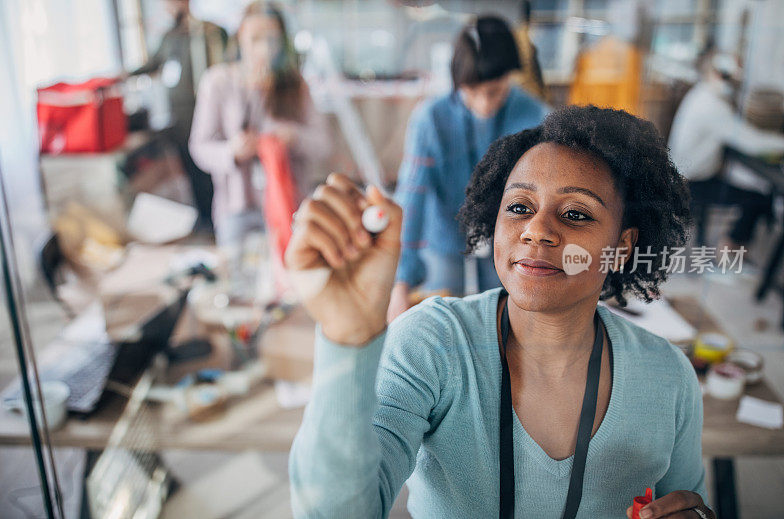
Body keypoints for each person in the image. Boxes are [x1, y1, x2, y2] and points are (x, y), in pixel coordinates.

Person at [285, 105, 713, 518]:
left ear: (622, 248)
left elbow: (689, 501)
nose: (537, 230)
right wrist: (347, 336)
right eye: (519, 207)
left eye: (576, 214)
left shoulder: (669, 377)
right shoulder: (432, 344)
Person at [387, 15, 549, 321]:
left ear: (510, 76)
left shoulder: (536, 117)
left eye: (495, 90)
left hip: (507, 237)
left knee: (505, 316)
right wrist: (400, 282)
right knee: (438, 318)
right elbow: (412, 200)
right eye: (473, 91)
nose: (485, 103)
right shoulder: (430, 119)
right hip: (444, 236)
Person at [188, 1, 329, 291]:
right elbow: (200, 147)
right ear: (240, 37)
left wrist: (293, 136)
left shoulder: (295, 86)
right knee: (239, 286)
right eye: (255, 39)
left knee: (289, 283)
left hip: (289, 205)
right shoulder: (218, 82)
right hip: (237, 206)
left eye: (272, 39)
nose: (263, 47)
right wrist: (232, 150)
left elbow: (323, 144)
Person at [128, 0, 231, 232]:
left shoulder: (209, 32)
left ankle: (219, 218)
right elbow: (152, 64)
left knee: (210, 168)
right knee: (191, 169)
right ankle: (205, 219)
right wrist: (124, 75)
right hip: (180, 118)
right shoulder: (170, 37)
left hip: (205, 112)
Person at [668, 50, 784, 252]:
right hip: (693, 183)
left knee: (755, 185)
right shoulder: (710, 105)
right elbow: (751, 141)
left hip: (689, 175)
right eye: (729, 76)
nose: (734, 82)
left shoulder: (702, 94)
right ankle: (729, 251)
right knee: (760, 196)